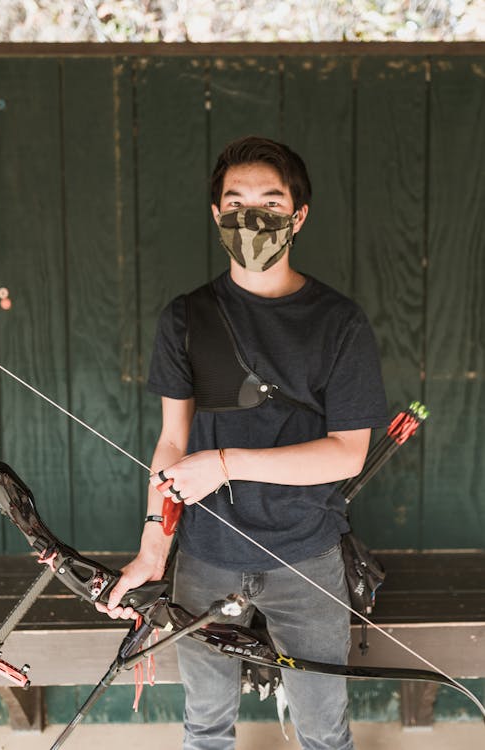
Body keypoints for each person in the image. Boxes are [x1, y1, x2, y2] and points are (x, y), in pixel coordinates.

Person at [97, 136, 388, 749]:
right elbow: (172, 441)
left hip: (307, 555)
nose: (249, 217)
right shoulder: (185, 318)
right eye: (235, 203)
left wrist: (226, 464)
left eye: (270, 203)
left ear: (298, 216)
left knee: (324, 731)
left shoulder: (340, 323)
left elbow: (347, 452)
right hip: (205, 555)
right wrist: (154, 551)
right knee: (205, 727)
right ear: (216, 215)